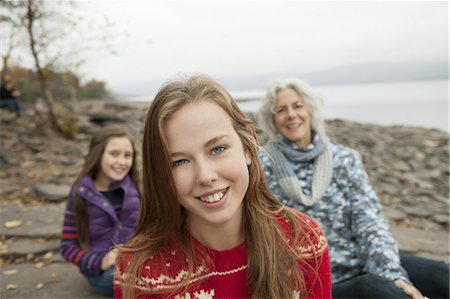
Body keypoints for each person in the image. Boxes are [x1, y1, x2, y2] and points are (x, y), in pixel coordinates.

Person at [113, 75, 332, 298]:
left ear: (247, 148)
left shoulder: (304, 241)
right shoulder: (140, 273)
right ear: (161, 174)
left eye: (217, 149)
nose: (205, 176)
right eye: (179, 161)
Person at [257, 77, 449, 299]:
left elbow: (370, 222)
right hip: (318, 280)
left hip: (361, 261)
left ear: (310, 110)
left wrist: (391, 273)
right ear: (272, 120)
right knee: (377, 289)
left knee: (442, 276)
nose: (291, 114)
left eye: (298, 106)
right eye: (281, 110)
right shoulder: (264, 165)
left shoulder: (344, 159)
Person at [60, 125, 141, 297]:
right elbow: (67, 246)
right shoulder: (80, 196)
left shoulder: (136, 189)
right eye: (114, 154)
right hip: (104, 273)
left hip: (138, 261)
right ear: (98, 155)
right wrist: (99, 262)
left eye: (128, 155)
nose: (122, 161)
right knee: (122, 279)